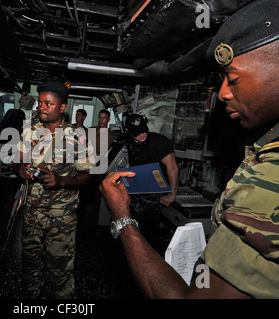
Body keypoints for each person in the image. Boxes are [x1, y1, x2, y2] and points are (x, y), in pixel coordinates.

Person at [99, 0, 279, 298]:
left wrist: (122, 216)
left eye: (233, 79)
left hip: (150, 201)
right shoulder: (263, 149)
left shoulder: (270, 177)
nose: (222, 93)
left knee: (152, 237)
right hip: (139, 194)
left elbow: (171, 166)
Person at [12, 80, 95, 298]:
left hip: (61, 217)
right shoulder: (31, 132)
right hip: (31, 215)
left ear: (62, 107)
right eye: (40, 103)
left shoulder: (78, 137)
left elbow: (89, 177)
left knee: (61, 273)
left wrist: (62, 181)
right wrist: (20, 169)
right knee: (30, 270)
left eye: (48, 104)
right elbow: (16, 159)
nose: (41, 107)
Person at [124, 113, 179, 239]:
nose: (142, 134)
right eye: (137, 133)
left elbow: (172, 166)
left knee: (147, 233)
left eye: (144, 130)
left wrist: (172, 194)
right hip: (137, 192)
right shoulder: (130, 143)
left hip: (154, 194)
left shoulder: (158, 142)